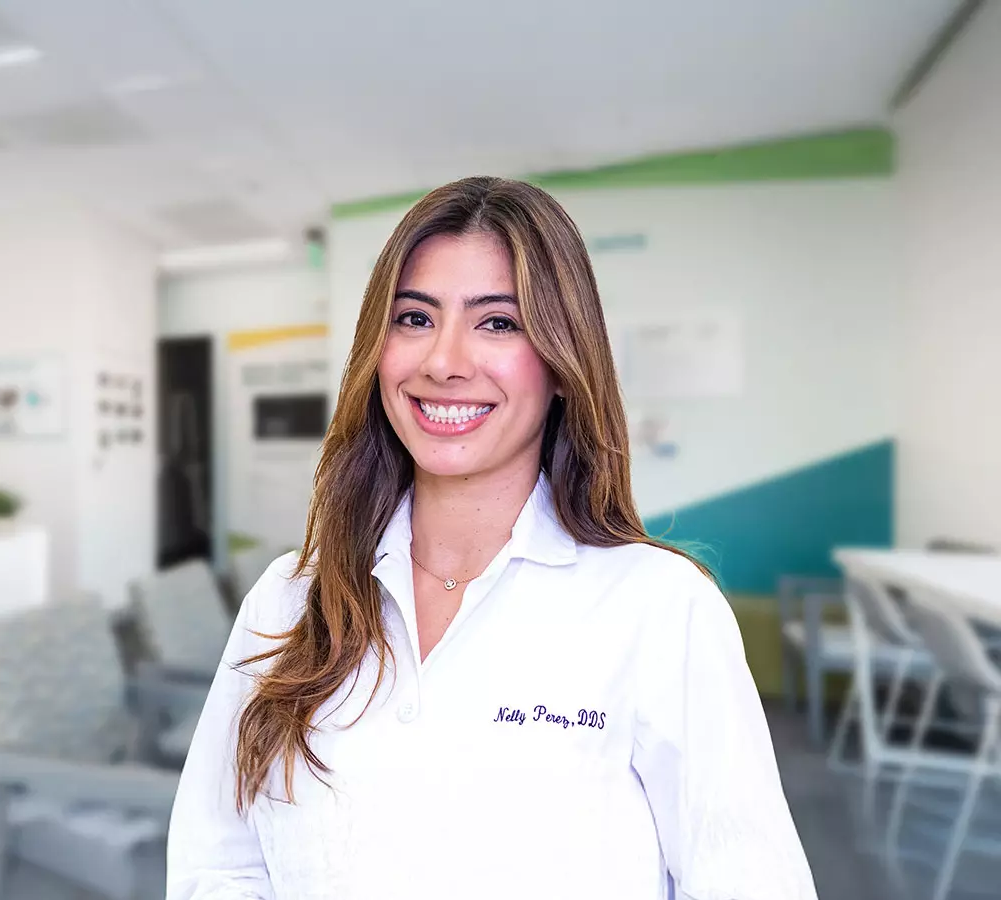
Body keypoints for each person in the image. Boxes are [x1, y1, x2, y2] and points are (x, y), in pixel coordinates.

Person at [167, 177, 816, 899]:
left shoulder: (659, 608)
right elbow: (217, 865)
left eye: (498, 323)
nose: (444, 361)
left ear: (564, 365)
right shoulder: (288, 601)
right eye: (414, 318)